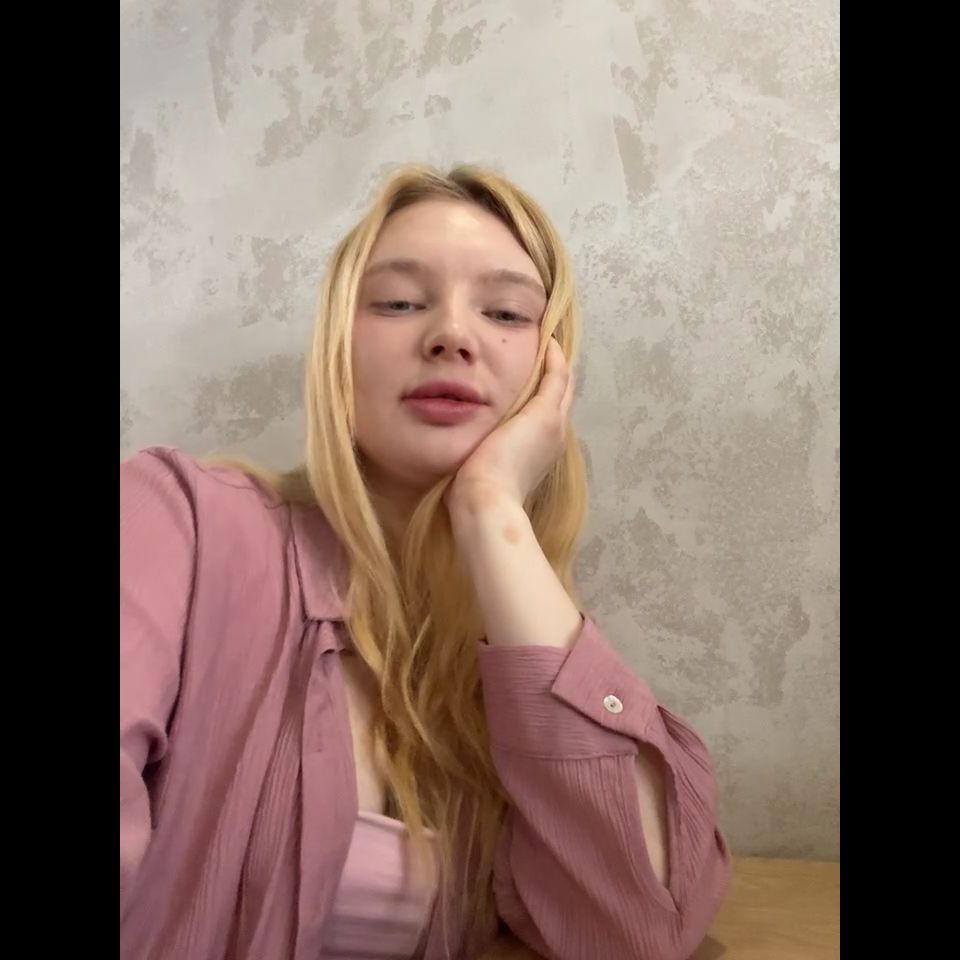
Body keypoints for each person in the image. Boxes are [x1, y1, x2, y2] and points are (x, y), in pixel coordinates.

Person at [120, 164, 730, 960]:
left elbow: (640, 930)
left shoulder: (521, 640)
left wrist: (492, 514)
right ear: (338, 349)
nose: (452, 335)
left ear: (551, 373)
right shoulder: (177, 521)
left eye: (504, 312)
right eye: (400, 302)